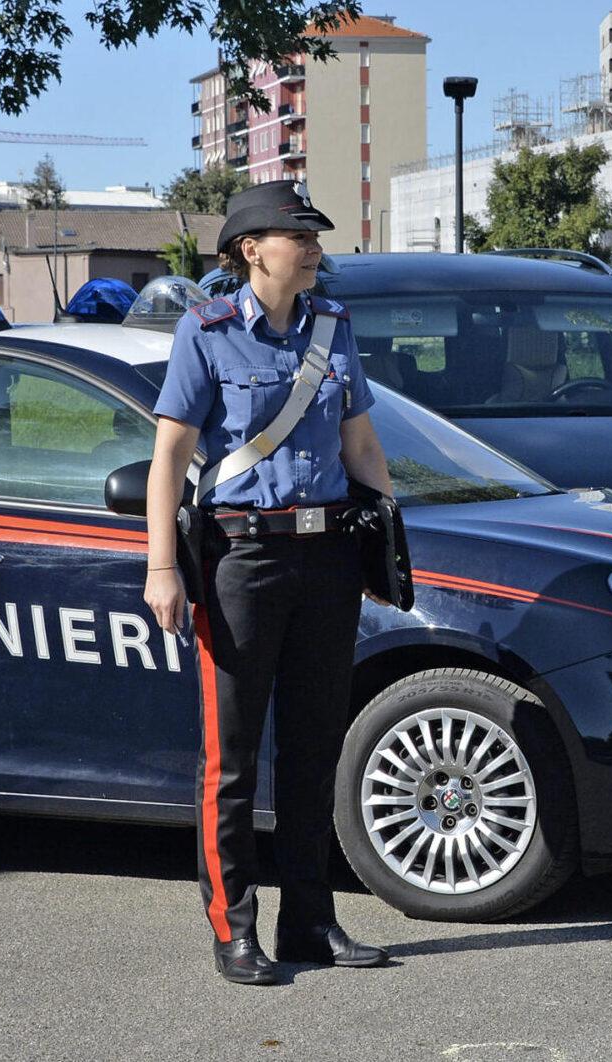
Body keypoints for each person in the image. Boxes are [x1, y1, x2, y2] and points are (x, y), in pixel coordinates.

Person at [141, 179, 396, 986]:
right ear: (251, 250)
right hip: (239, 560)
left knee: (316, 749)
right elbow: (170, 459)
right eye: (300, 237)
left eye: (316, 237)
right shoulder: (206, 332)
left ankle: (310, 923)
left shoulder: (332, 328)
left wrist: (388, 547)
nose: (315, 247)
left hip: (325, 560)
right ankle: (233, 929)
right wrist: (160, 567)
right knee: (234, 756)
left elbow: (360, 446)